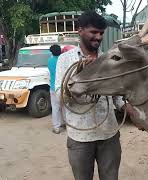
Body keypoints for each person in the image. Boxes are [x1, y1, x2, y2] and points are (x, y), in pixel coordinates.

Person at [55, 11, 127, 180]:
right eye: (94, 32)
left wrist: (131, 110)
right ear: (80, 30)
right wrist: (79, 78)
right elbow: (60, 98)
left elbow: (116, 96)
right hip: (80, 137)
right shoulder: (65, 60)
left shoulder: (108, 60)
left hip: (109, 134)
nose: (98, 37)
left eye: (101, 33)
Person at [48, 44, 63, 134]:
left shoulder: (50, 61)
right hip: (64, 87)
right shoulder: (63, 60)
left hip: (53, 87)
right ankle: (66, 124)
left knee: (55, 107)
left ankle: (56, 127)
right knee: (65, 107)